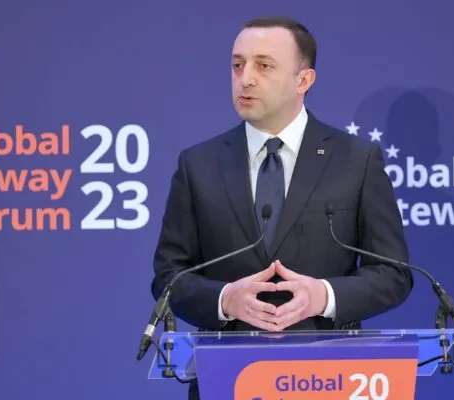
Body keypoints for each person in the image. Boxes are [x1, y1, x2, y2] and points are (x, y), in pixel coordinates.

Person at [150, 17, 412, 396]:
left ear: (303, 80)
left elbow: (393, 274)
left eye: (264, 66)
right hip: (227, 380)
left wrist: (324, 296)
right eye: (237, 65)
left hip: (329, 377)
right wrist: (225, 300)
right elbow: (168, 276)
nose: (246, 78)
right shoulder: (198, 165)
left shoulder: (356, 161)